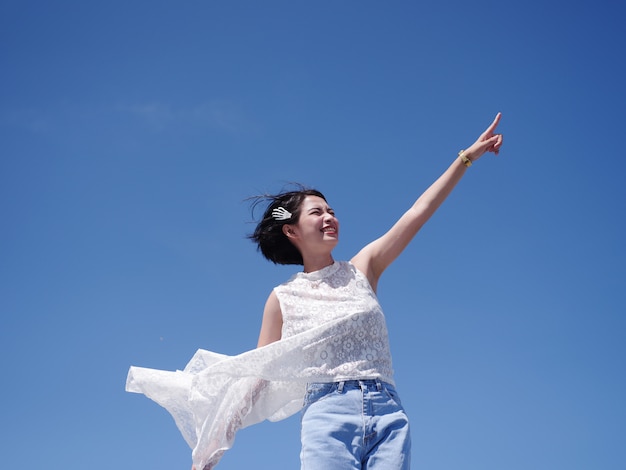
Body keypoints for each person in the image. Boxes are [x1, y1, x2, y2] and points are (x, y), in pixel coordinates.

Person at [127, 113, 504, 470]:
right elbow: (256, 375)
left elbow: (417, 212)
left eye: (331, 211)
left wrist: (466, 158)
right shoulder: (282, 298)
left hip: (389, 412)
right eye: (317, 213)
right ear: (291, 231)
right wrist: (213, 444)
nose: (330, 218)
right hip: (328, 417)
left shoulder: (363, 268)